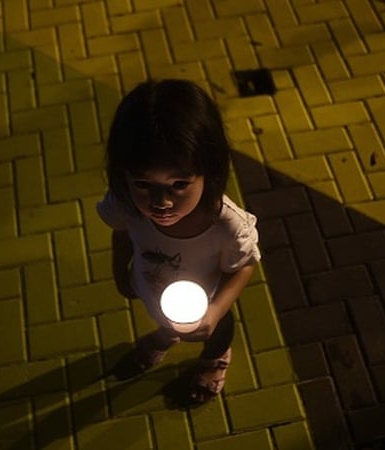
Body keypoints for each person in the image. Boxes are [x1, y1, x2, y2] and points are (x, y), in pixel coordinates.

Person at [96, 79, 261, 404]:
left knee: (216, 333)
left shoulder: (226, 226)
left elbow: (245, 265)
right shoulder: (126, 205)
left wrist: (216, 310)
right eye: (143, 184)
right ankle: (166, 336)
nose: (161, 202)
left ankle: (214, 359)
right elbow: (122, 232)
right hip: (154, 289)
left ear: (209, 171)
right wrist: (119, 271)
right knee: (166, 320)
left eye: (179, 184)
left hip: (208, 303)